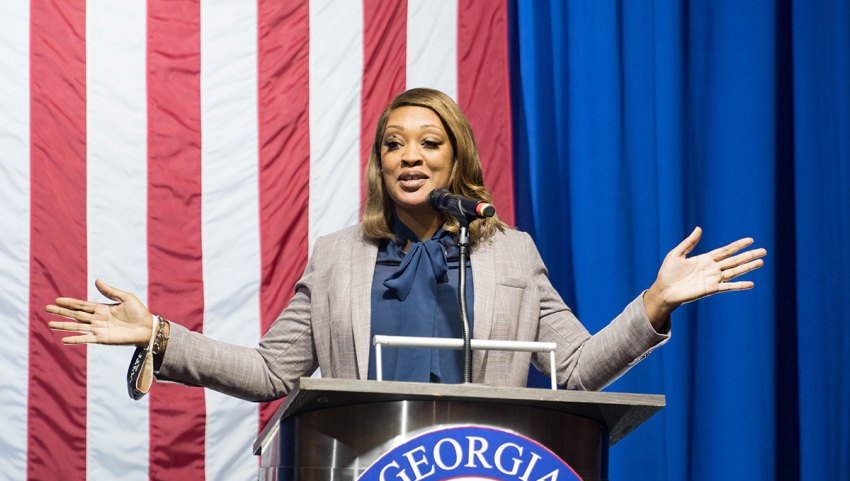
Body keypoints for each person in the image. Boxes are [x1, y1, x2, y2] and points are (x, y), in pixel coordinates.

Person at [45, 88, 766, 400]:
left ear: (457, 160)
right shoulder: (337, 257)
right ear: (379, 163)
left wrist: (654, 303)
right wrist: (161, 335)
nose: (410, 156)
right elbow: (272, 373)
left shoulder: (511, 253)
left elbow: (575, 371)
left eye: (429, 142)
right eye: (394, 144)